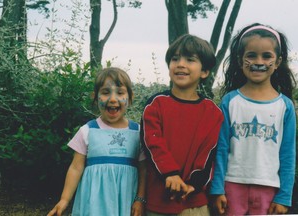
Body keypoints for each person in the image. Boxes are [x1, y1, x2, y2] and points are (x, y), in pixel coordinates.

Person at [210, 23, 297, 215]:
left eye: (267, 56)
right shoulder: (230, 101)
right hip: (231, 185)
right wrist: (217, 189)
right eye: (251, 55)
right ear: (240, 61)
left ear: (277, 62)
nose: (259, 62)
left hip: (268, 188)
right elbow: (221, 149)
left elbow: (288, 155)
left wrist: (284, 196)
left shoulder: (285, 106)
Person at [141, 34, 224, 216]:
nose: (180, 64)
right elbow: (152, 144)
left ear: (204, 71)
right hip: (158, 202)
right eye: (175, 59)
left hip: (195, 202)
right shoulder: (156, 104)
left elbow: (209, 155)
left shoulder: (213, 113)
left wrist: (193, 184)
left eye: (190, 59)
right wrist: (170, 173)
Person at [47, 67, 146, 216]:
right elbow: (75, 168)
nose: (113, 99)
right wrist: (64, 199)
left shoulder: (138, 133)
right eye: (106, 92)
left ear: (130, 98)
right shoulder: (87, 131)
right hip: (93, 205)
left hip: (125, 203)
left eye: (120, 92)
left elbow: (144, 170)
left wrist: (140, 199)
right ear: (95, 97)